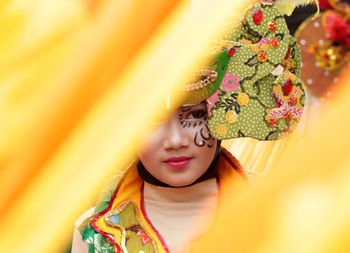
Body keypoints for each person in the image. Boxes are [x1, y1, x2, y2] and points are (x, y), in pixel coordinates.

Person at [71, 0, 307, 252]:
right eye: (152, 122)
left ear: (224, 113)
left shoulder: (274, 211)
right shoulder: (94, 234)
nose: (175, 140)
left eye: (194, 115)